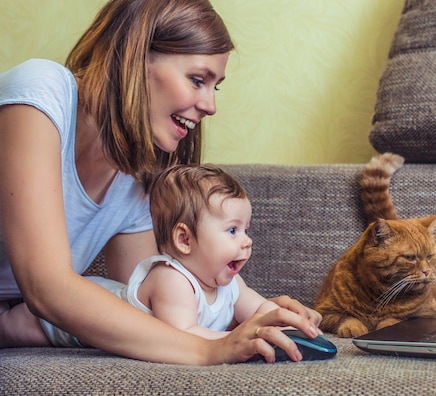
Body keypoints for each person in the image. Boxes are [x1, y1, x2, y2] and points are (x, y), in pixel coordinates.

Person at [0, 0, 321, 365]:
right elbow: (47, 289)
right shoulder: (40, 92)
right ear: (135, 58)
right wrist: (208, 349)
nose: (210, 106)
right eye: (197, 80)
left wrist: (252, 319)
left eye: (215, 87)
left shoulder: (137, 178)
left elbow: (143, 306)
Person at [1, 164, 307, 357]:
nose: (247, 240)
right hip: (68, 320)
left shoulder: (228, 281)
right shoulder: (172, 280)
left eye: (245, 229)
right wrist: (234, 338)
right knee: (14, 328)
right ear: (184, 240)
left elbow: (260, 310)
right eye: (232, 230)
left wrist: (297, 326)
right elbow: (182, 335)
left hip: (106, 303)